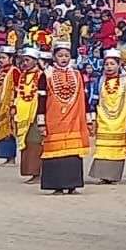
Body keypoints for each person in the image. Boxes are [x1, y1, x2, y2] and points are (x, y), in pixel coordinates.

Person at [37, 41, 90, 194]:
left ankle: (72, 184)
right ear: (54, 57)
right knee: (54, 152)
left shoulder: (76, 74)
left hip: (74, 120)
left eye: (67, 55)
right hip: (53, 120)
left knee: (73, 154)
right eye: (60, 55)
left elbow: (84, 97)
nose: (64, 58)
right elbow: (41, 100)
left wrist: (89, 118)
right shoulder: (46, 75)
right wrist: (41, 122)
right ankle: (57, 186)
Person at [87, 49, 126, 183]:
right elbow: (94, 101)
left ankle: (113, 176)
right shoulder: (100, 81)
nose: (109, 66)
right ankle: (102, 175)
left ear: (119, 65)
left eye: (112, 64)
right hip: (103, 120)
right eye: (106, 64)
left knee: (117, 149)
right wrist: (92, 119)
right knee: (102, 149)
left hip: (121, 121)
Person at [14, 47, 42, 182]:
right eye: (23, 60)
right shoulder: (22, 76)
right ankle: (31, 172)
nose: (24, 63)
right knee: (26, 142)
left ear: (35, 62)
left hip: (36, 113)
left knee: (35, 142)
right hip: (23, 113)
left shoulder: (42, 75)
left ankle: (37, 173)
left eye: (27, 60)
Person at [0, 45, 18, 164]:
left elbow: (17, 89)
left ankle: (11, 157)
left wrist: (13, 105)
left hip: (8, 106)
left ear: (11, 59)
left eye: (3, 57)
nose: (0, 60)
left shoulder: (14, 71)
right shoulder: (0, 71)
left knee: (9, 131)